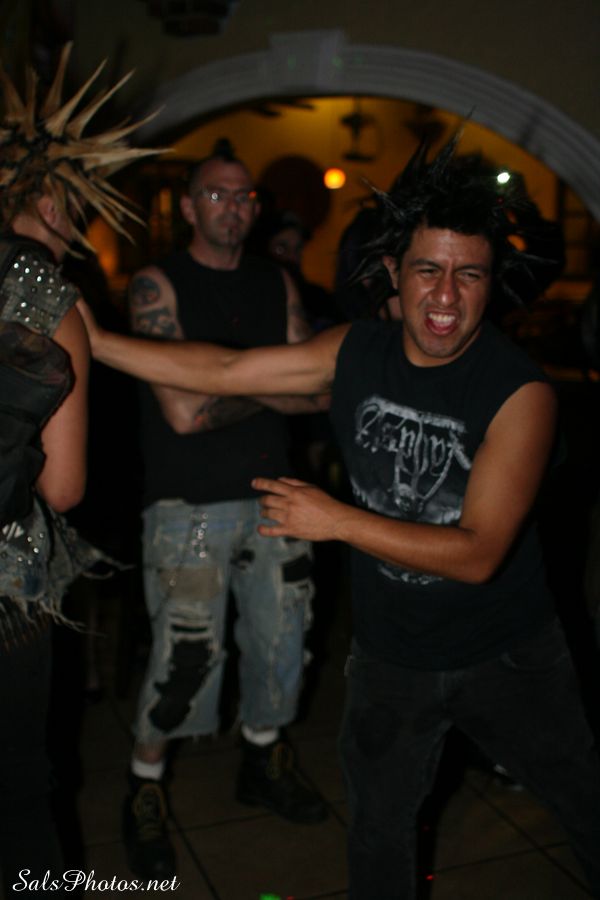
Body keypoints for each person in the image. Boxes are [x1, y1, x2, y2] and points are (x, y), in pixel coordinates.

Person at [79, 137, 600, 899]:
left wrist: (337, 520)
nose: (446, 296)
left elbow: (479, 552)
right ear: (394, 273)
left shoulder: (519, 391)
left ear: (491, 285)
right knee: (379, 833)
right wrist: (95, 342)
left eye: (468, 274)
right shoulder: (357, 348)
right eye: (427, 270)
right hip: (392, 657)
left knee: (585, 807)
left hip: (506, 655)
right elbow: (223, 369)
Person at [121, 143, 328, 880]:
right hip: (189, 506)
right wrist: (277, 386)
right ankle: (144, 787)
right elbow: (182, 413)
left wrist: (228, 381)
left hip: (277, 496)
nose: (233, 208)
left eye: (244, 197)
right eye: (217, 194)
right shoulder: (157, 284)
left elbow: (321, 391)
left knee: (282, 642)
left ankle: (263, 761)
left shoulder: (277, 281)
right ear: (188, 206)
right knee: (184, 659)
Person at [0, 44, 159, 893]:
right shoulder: (51, 302)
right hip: (7, 591)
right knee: (22, 799)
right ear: (55, 199)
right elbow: (64, 487)